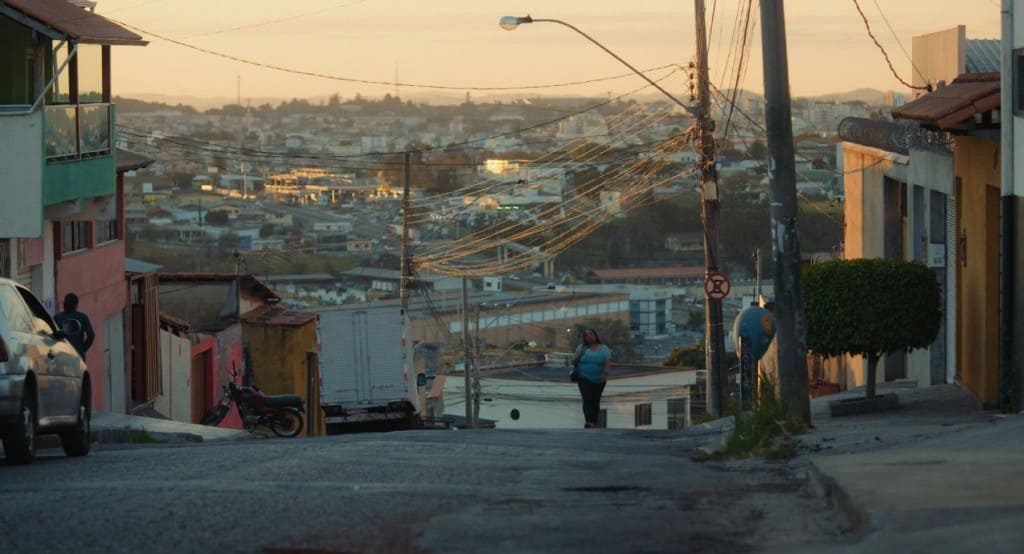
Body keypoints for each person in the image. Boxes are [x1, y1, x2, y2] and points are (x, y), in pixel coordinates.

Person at [571, 328, 612, 428]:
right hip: (584, 377)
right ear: (584, 338)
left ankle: (594, 421)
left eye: (591, 334)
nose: (589, 336)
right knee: (587, 398)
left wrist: (605, 374)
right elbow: (573, 361)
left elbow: (607, 363)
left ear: (595, 335)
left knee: (595, 400)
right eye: (586, 335)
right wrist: (580, 354)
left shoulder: (604, 349)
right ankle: (589, 421)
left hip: (599, 379)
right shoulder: (581, 347)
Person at [54, 293, 94, 358]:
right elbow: (91, 335)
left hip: (61, 354)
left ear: (64, 303)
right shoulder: (82, 317)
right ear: (76, 305)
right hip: (77, 354)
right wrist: (82, 349)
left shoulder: (57, 317)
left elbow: (53, 335)